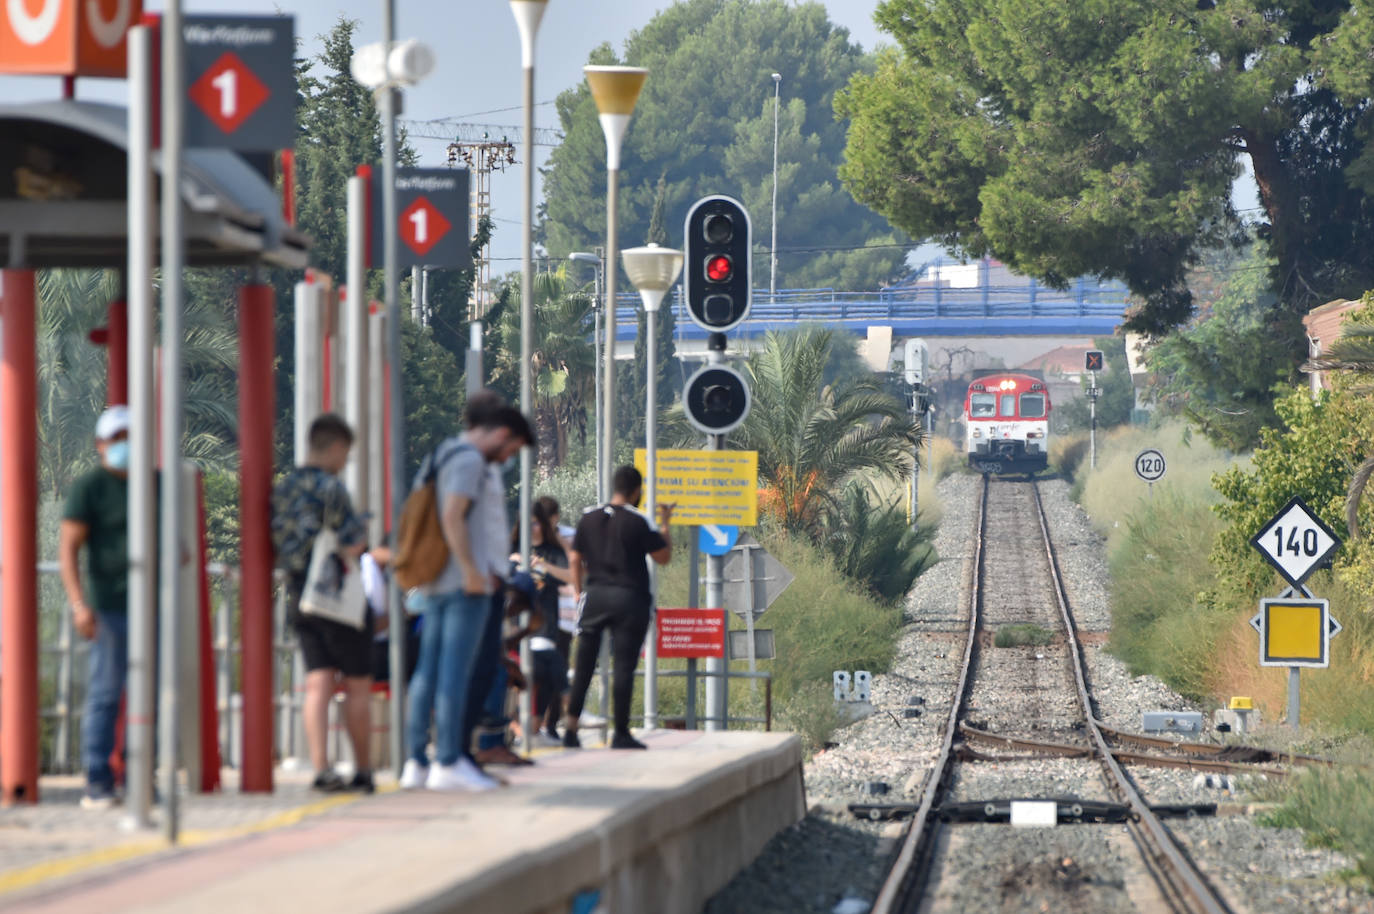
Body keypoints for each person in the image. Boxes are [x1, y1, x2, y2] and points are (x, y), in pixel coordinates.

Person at [401, 399, 534, 791]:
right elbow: (451, 514)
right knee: (453, 673)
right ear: (503, 434)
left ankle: (417, 762)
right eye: (510, 449)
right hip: (464, 584)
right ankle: (447, 761)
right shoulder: (470, 460)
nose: (507, 457)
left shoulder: (441, 454)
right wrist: (473, 570)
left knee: (429, 671)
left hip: (439, 581)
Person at [270, 414, 374, 793]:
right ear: (332, 447)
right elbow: (351, 544)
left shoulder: (283, 488)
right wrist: (362, 531)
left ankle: (321, 769)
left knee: (317, 683)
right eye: (345, 452)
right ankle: (362, 769)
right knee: (357, 685)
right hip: (338, 594)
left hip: (302, 593)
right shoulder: (332, 488)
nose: (345, 460)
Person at [563, 466, 674, 751]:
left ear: (615, 486)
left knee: (584, 665)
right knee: (623, 666)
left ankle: (571, 730)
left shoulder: (588, 518)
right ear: (637, 491)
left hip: (595, 596)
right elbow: (663, 557)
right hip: (629, 599)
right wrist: (665, 523)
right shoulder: (640, 521)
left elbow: (575, 559)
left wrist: (579, 592)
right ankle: (621, 733)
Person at [59, 406, 135, 808]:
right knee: (105, 694)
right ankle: (98, 779)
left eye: (130, 436)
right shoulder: (89, 487)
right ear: (100, 444)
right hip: (107, 607)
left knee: (150, 695)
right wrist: (78, 604)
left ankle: (141, 775)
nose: (124, 444)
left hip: (150, 608)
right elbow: (69, 549)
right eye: (116, 437)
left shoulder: (154, 483)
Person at [522, 497, 573, 745]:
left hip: (553, 622)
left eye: (538, 523)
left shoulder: (556, 548)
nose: (536, 528)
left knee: (548, 674)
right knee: (537, 674)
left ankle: (545, 726)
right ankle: (569, 708)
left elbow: (571, 577)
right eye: (530, 524)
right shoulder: (514, 548)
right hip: (520, 628)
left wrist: (544, 566)